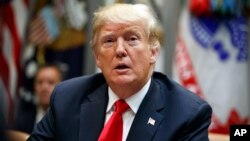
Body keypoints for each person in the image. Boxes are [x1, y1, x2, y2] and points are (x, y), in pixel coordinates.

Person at [27, 3, 212, 141]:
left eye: (132, 39)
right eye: (109, 41)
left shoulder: (187, 114)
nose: (120, 50)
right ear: (97, 57)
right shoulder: (67, 98)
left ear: (153, 52)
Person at [12, 64, 62, 134]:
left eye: (51, 82)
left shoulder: (68, 120)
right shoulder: (22, 119)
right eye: (40, 82)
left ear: (62, 86)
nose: (44, 87)